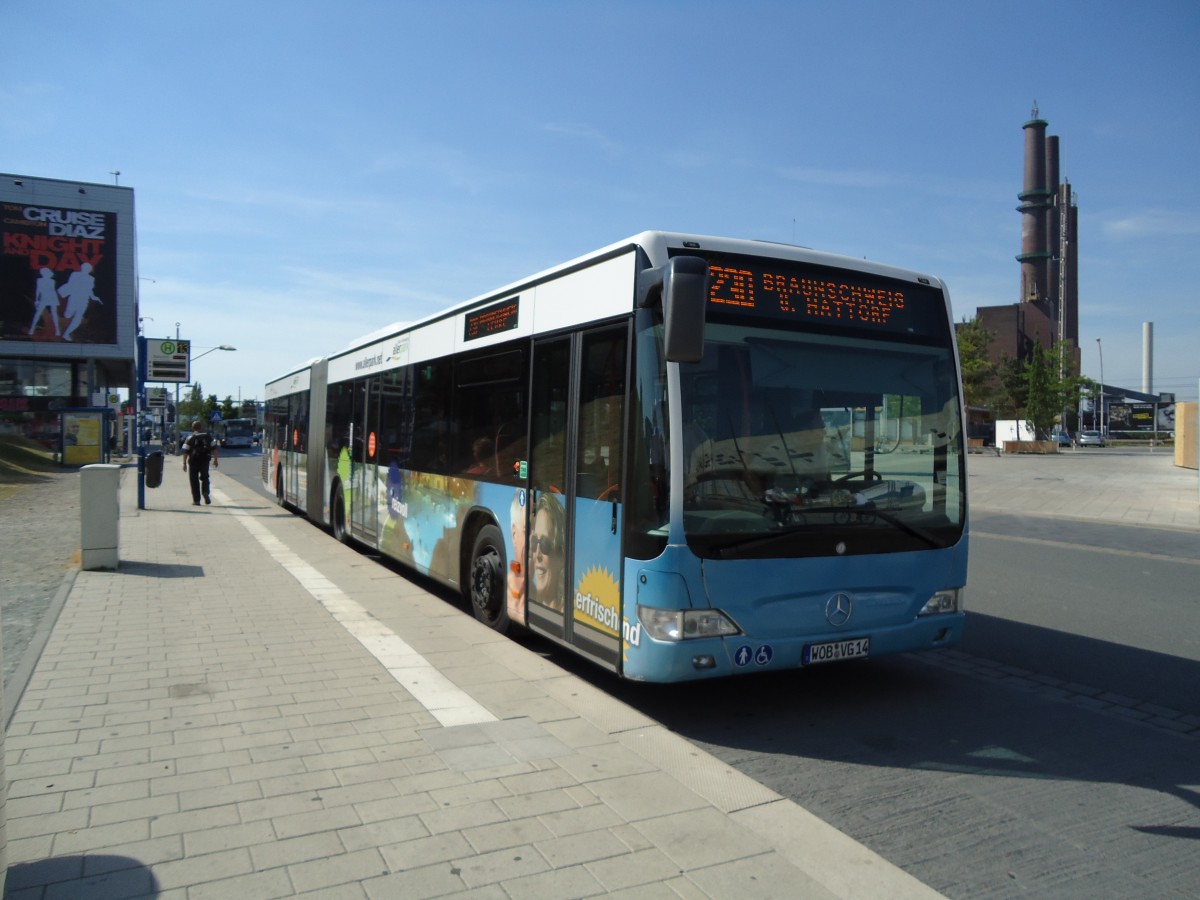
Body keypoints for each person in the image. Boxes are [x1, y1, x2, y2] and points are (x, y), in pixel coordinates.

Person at [181, 420, 219, 506]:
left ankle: (196, 500)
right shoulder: (208, 436)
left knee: (194, 480)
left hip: (193, 461)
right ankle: (205, 492)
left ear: (193, 428)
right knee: (205, 477)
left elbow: (185, 451)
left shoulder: (190, 437)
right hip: (205, 460)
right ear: (201, 427)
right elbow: (215, 449)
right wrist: (216, 460)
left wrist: (184, 463)